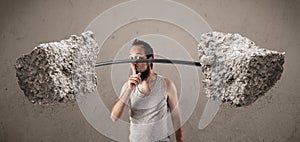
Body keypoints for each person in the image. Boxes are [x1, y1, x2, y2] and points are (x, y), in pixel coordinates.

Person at [111, 39, 183, 142]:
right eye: (131, 58)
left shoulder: (167, 85)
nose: (134, 62)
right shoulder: (127, 86)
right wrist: (129, 89)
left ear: (150, 59)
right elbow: (114, 117)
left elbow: (176, 118)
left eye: (138, 57)